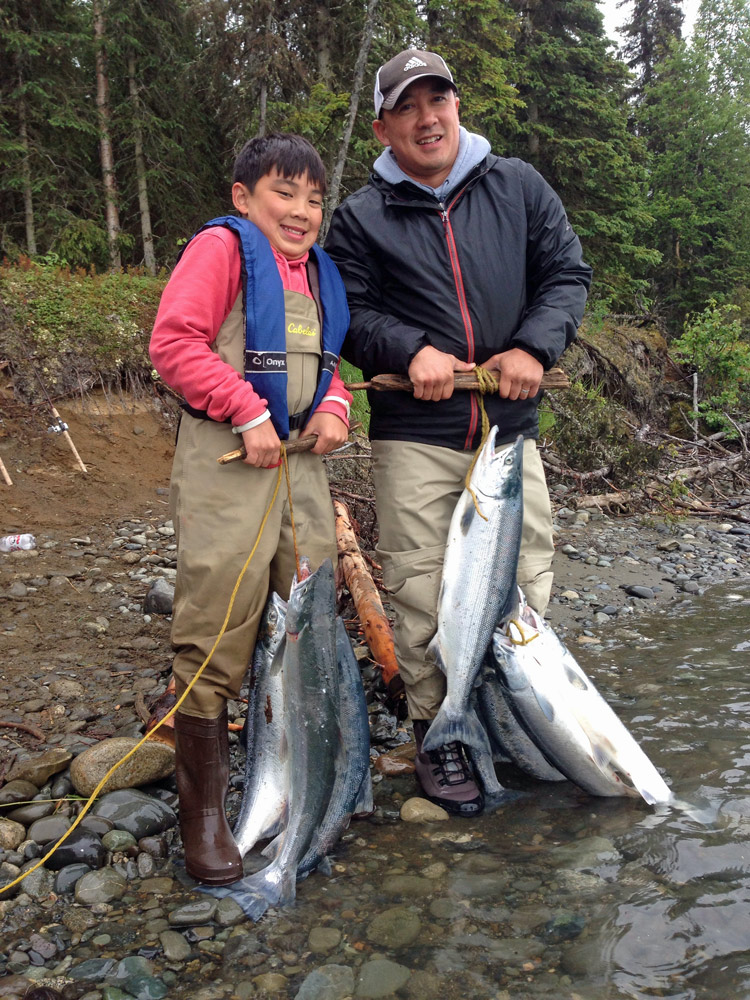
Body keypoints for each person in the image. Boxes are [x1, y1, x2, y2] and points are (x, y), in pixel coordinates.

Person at [325, 49, 592, 817]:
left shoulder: (519, 186)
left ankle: (512, 717)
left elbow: (567, 277)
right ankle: (440, 731)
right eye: (407, 107)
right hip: (417, 432)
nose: (426, 118)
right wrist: (409, 350)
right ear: (384, 125)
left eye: (436, 100)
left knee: (525, 586)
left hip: (509, 435)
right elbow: (353, 316)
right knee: (417, 590)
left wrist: (534, 347)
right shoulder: (360, 215)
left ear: (456, 106)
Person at [150, 133, 352, 885]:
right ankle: (202, 820)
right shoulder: (222, 252)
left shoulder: (320, 275)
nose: (301, 211)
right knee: (216, 623)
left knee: (310, 617)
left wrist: (334, 408)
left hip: (300, 468)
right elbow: (174, 344)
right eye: (283, 193)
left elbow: (331, 370)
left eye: (313, 198)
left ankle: (304, 779)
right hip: (227, 461)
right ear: (243, 198)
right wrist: (244, 409)